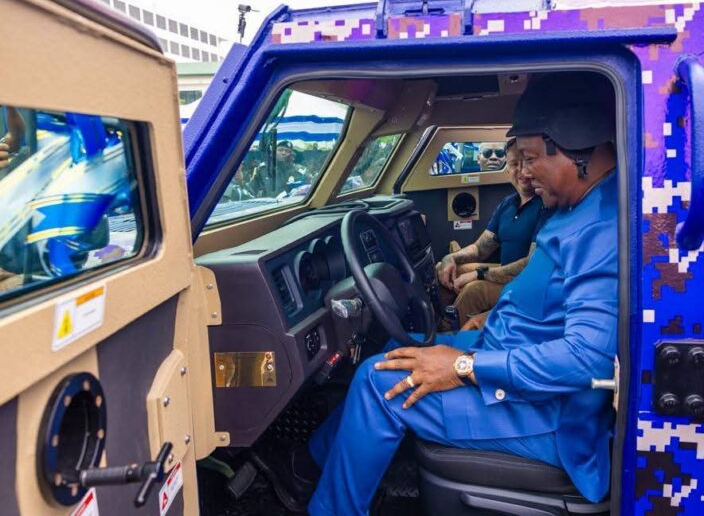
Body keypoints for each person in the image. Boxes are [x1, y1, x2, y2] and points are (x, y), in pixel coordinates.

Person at [253, 73, 619, 516]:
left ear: (574, 144)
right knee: (397, 348)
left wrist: (463, 366)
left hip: (550, 418)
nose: (523, 173)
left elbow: (589, 360)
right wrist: (494, 319)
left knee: (376, 381)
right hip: (512, 356)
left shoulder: (601, 227)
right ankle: (313, 464)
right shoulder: (583, 208)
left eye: (530, 158)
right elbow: (554, 301)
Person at [437, 139, 552, 328]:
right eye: (515, 164)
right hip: (501, 271)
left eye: (527, 163)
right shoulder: (508, 204)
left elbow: (530, 265)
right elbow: (480, 248)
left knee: (473, 291)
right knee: (443, 267)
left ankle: (447, 338)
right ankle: (437, 322)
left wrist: (479, 274)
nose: (522, 171)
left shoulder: (545, 205)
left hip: (524, 282)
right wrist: (452, 258)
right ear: (507, 168)